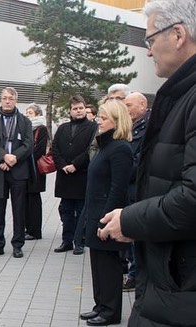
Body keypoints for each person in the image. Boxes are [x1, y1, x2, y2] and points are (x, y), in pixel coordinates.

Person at [98, 2, 196, 325]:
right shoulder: (181, 95)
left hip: (180, 288)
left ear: (178, 34)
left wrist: (131, 220)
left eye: (150, 40)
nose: (149, 52)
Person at [79, 100, 133, 327]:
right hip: (94, 212)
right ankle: (100, 305)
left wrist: (105, 221)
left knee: (109, 266)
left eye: (103, 118)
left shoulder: (120, 148)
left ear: (117, 121)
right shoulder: (105, 146)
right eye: (99, 117)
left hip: (106, 216)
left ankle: (111, 311)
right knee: (97, 264)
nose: (98, 121)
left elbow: (118, 189)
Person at [0, 87, 33, 259]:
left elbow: (28, 145)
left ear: (16, 100)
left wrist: (13, 159)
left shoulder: (24, 121)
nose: (7, 101)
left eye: (10, 98)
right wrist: (3, 156)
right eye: (4, 98)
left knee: (19, 210)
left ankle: (17, 245)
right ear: (0, 100)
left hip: (18, 171)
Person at [52, 95, 97, 255]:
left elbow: (90, 149)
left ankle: (79, 241)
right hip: (65, 176)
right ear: (70, 111)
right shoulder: (63, 128)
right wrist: (63, 165)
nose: (78, 111)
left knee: (80, 211)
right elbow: (55, 148)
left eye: (81, 108)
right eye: (75, 109)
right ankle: (66, 241)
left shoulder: (93, 128)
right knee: (66, 210)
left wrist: (75, 165)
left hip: (81, 175)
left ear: (85, 109)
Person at [121, 92, 150, 292]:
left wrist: (122, 170)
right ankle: (133, 272)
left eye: (129, 105)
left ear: (142, 105)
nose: (126, 109)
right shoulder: (129, 125)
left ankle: (135, 276)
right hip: (127, 187)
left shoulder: (149, 126)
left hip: (138, 188)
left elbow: (141, 159)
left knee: (135, 235)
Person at [25, 103, 48, 240]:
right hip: (25, 169)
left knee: (34, 200)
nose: (27, 114)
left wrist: (24, 157)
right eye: (27, 112)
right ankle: (27, 228)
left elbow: (39, 150)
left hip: (35, 169)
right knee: (25, 200)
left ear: (38, 114)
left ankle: (35, 230)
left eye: (31, 112)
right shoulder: (25, 128)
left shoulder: (41, 129)